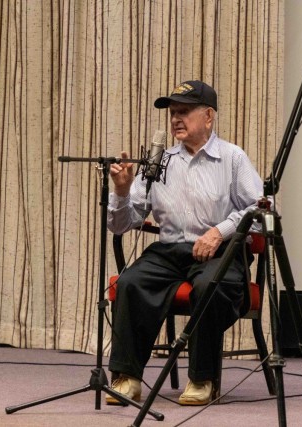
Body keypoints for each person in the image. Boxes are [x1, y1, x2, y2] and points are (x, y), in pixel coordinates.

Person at [106, 80, 263, 406]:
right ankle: (127, 378)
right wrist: (121, 193)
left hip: (221, 250)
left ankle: (203, 379)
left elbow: (260, 211)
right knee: (131, 282)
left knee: (211, 286)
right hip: (169, 250)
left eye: (184, 112)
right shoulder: (158, 162)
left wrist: (220, 230)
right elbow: (122, 224)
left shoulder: (232, 158)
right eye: (172, 113)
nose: (176, 119)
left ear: (208, 116)